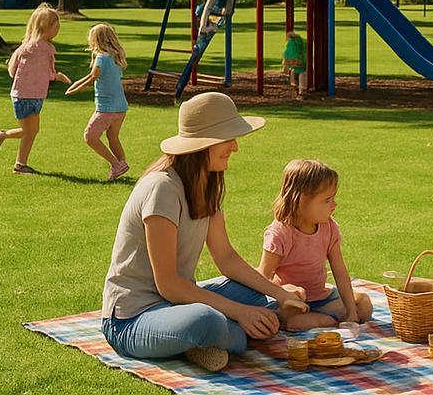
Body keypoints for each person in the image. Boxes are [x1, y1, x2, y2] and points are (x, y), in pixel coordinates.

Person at [100, 93, 307, 372]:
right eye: (228, 138)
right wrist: (240, 313)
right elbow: (169, 284)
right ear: (204, 143)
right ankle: (217, 336)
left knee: (253, 294)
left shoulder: (205, 185)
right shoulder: (162, 189)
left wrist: (279, 293)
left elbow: (226, 258)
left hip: (175, 304)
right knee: (207, 320)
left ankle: (213, 339)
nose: (235, 147)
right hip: (131, 319)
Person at [258, 158, 373, 329]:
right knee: (302, 319)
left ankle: (324, 319)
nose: (334, 205)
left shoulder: (329, 227)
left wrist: (351, 311)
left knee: (364, 304)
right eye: (327, 200)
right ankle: (297, 319)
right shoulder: (280, 233)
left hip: (321, 297)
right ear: (302, 201)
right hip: (293, 302)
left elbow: (340, 271)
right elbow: (262, 276)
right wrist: (284, 293)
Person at [0, 3, 71, 174]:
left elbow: (12, 71)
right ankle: (20, 165)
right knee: (31, 131)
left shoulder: (24, 47)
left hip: (24, 95)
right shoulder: (47, 49)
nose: (57, 31)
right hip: (29, 96)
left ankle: (2, 135)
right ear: (45, 27)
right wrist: (58, 76)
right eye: (55, 27)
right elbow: (50, 73)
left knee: (30, 130)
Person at [65, 23, 130, 181]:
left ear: (97, 40)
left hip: (107, 108)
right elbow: (90, 76)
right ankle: (122, 164)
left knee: (90, 136)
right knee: (112, 136)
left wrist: (76, 89)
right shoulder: (116, 57)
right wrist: (74, 86)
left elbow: (92, 77)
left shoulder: (101, 58)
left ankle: (116, 164)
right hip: (121, 107)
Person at [280, 30, 305, 96]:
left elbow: (286, 53)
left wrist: (286, 64)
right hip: (301, 60)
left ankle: (294, 84)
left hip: (292, 60)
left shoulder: (290, 43)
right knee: (301, 72)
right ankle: (301, 89)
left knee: (293, 71)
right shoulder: (300, 42)